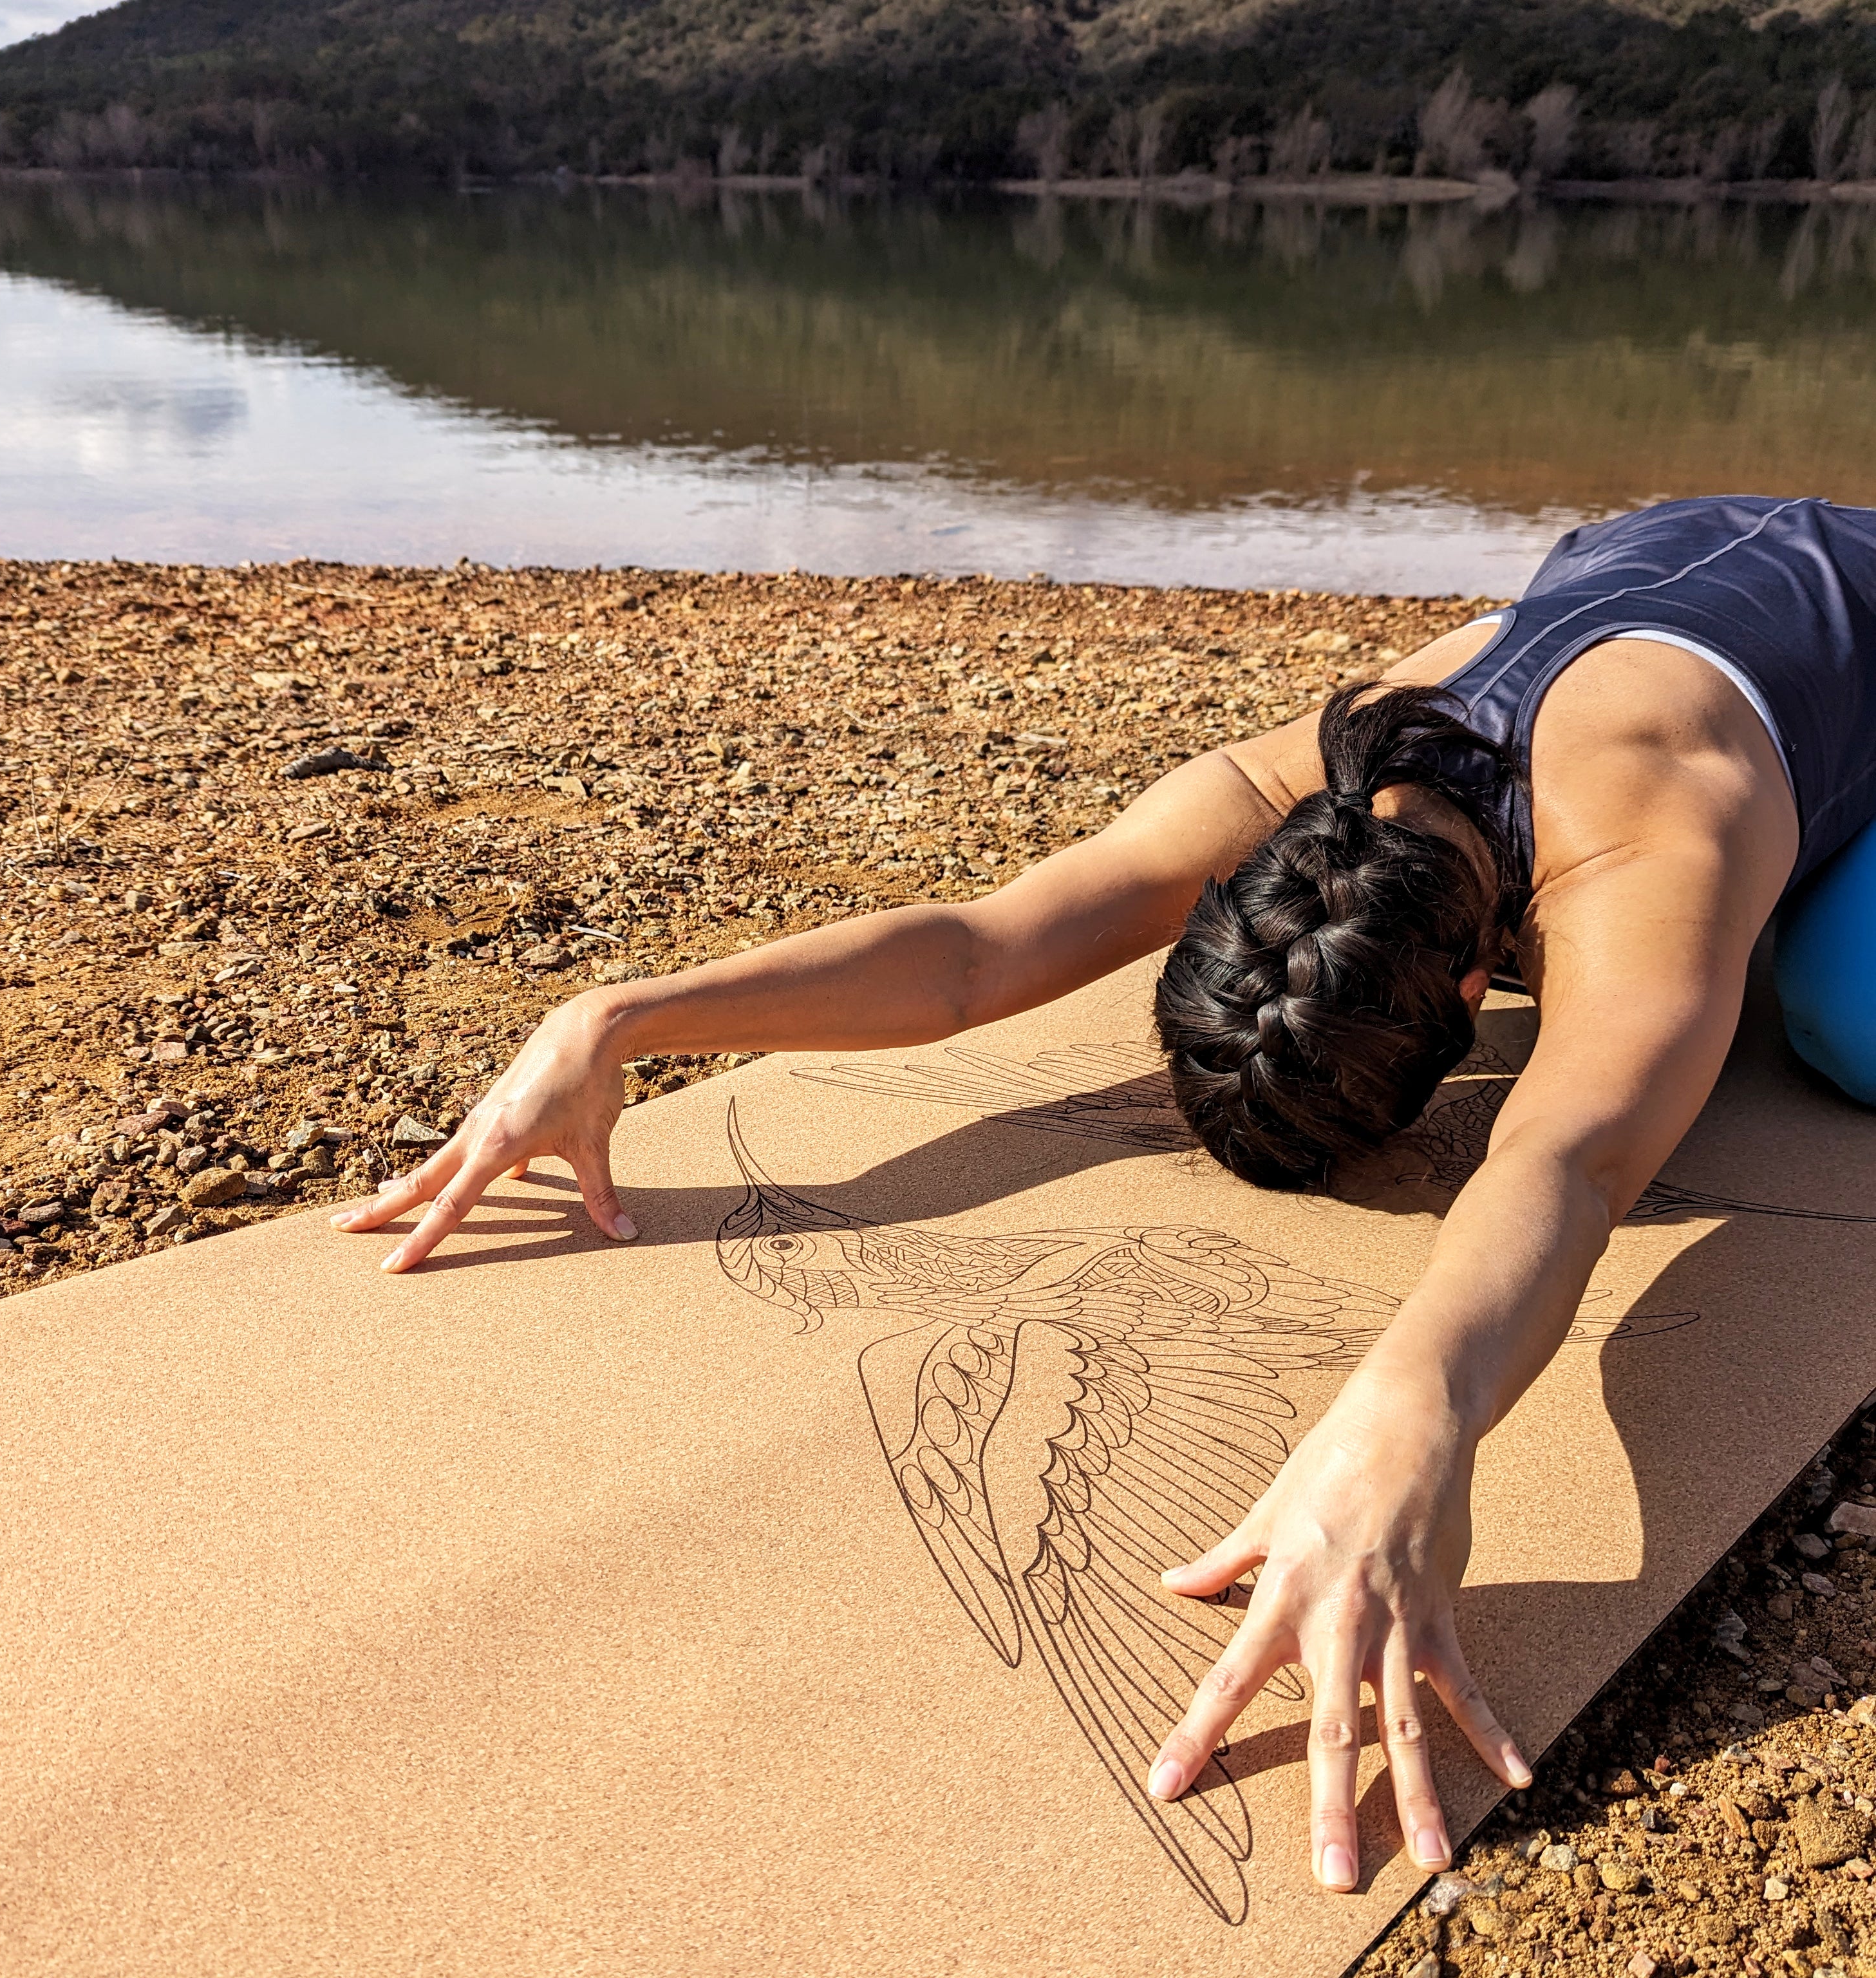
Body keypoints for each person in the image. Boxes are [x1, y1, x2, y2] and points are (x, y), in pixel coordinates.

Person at [333, 494, 1876, 1895]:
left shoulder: (1647, 848)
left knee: (1836, 1013)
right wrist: (623, 1017)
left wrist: (1410, 1411)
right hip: (1678, 566)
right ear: (1255, 871)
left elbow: (1572, 1157)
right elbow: (981, 950)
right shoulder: (1313, 789)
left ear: (1483, 982)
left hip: (1800, 643)